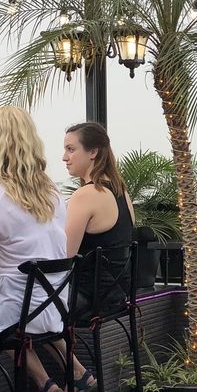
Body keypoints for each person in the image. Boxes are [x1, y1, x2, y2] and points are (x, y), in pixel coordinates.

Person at [0, 107, 95, 392]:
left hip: (18, 313)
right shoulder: (52, 193)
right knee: (19, 305)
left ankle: (44, 383)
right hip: (55, 309)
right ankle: (71, 373)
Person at [63, 122, 135, 318]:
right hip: (117, 297)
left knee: (19, 304)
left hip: (87, 299)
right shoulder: (122, 192)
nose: (64, 157)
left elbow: (65, 257)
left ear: (93, 152)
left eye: (71, 149)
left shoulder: (86, 195)